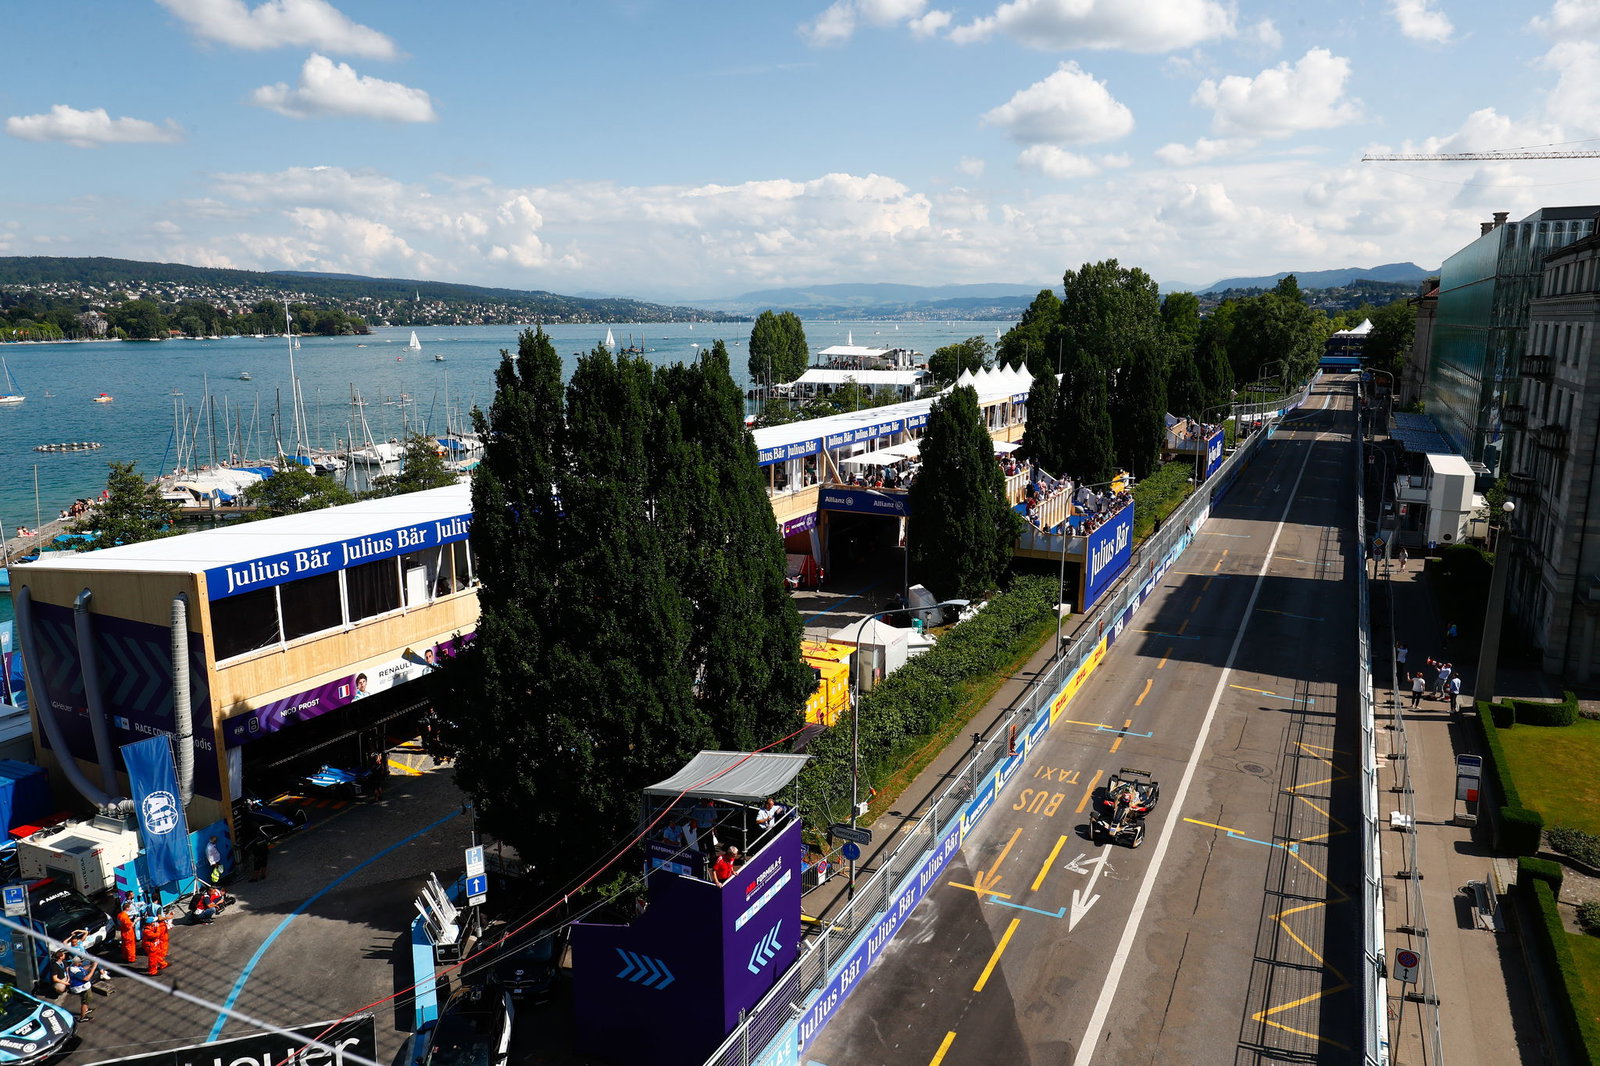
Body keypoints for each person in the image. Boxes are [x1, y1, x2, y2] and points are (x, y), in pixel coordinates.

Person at [65, 955, 98, 1019]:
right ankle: (83, 1017)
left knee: (86, 999)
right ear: (77, 963)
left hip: (82, 987)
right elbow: (86, 978)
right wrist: (93, 968)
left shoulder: (74, 966)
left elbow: (83, 969)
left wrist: (91, 965)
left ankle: (86, 1010)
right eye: (81, 962)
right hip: (81, 987)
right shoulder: (75, 971)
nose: (82, 963)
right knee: (85, 1001)